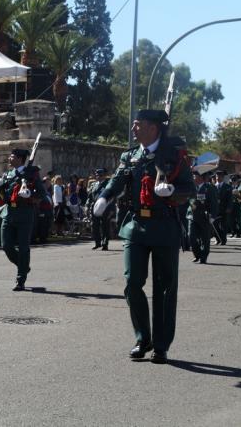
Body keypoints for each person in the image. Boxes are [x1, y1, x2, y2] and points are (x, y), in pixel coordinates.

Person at [93, 109, 194, 364]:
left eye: (138, 124)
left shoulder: (174, 154)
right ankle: (143, 338)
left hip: (165, 226)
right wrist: (104, 197)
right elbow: (117, 181)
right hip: (136, 225)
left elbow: (188, 189)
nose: (133, 129)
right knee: (132, 283)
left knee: (164, 288)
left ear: (153, 128)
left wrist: (171, 190)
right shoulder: (131, 156)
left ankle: (161, 345)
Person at [0, 149, 45, 291]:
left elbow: (42, 193)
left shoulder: (32, 173)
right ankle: (24, 266)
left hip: (24, 213)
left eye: (12, 156)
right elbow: (2, 194)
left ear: (20, 159)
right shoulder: (8, 174)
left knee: (23, 248)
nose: (9, 158)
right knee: (6, 245)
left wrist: (29, 195)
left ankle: (20, 279)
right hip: (8, 212)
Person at [187, 169, 216, 265]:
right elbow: (187, 200)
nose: (193, 178)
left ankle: (203, 257)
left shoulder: (209, 188)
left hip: (204, 217)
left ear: (201, 178)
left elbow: (214, 203)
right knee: (191, 236)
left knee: (205, 239)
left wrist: (213, 216)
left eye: (195, 176)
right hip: (192, 216)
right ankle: (197, 255)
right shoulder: (191, 187)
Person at [87, 169, 114, 251]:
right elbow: (90, 197)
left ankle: (105, 243)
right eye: (97, 175)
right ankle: (97, 243)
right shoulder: (94, 184)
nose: (98, 177)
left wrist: (112, 209)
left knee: (105, 226)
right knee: (94, 226)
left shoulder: (108, 184)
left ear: (104, 176)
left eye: (101, 175)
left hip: (105, 207)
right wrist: (87, 206)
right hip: (95, 207)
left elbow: (112, 197)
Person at [215, 170, 232, 245]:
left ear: (222, 177)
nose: (218, 178)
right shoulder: (212, 186)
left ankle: (223, 240)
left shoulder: (227, 186)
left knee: (223, 225)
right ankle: (218, 239)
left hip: (224, 209)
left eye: (219, 176)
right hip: (215, 209)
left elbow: (229, 199)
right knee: (215, 225)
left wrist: (229, 208)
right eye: (216, 176)